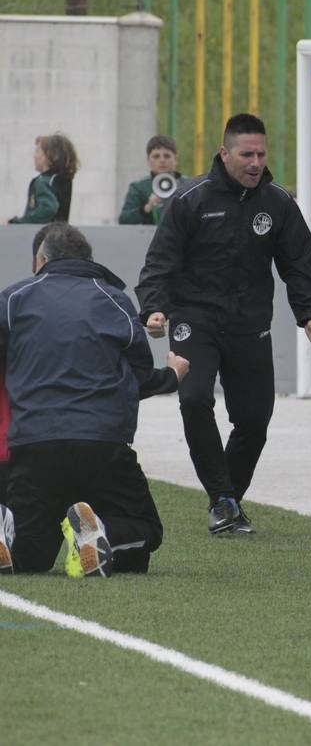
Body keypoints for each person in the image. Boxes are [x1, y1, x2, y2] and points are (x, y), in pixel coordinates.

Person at [135, 112, 311, 536]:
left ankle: (227, 500)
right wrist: (154, 307)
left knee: (255, 419)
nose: (255, 162)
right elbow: (159, 261)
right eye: (246, 154)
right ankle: (223, 499)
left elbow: (298, 263)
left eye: (261, 154)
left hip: (250, 324)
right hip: (194, 320)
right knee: (193, 398)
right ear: (225, 153)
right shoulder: (190, 199)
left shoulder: (278, 203)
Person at [0, 223, 187, 578]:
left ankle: (7, 531)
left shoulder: (13, 299)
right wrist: (173, 377)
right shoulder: (114, 299)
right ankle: (102, 533)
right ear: (89, 260)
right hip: (102, 444)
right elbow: (137, 376)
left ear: (41, 260)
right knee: (144, 529)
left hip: (34, 446)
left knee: (31, 557)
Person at [10, 133, 78, 224]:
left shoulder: (43, 181)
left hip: (44, 235)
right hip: (62, 235)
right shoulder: (63, 180)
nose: (34, 156)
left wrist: (18, 222)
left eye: (37, 151)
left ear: (50, 156)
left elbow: (48, 208)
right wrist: (51, 143)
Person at [119, 135, 182, 225]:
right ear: (148, 160)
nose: (162, 160)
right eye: (156, 156)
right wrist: (147, 207)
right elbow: (124, 220)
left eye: (167, 156)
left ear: (175, 159)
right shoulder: (138, 187)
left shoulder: (188, 185)